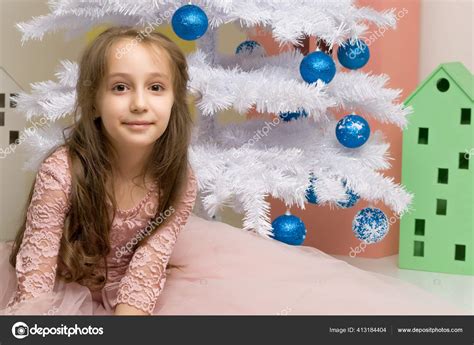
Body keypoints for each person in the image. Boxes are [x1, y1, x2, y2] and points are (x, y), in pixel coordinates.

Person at [0, 27, 465, 316]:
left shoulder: (176, 178)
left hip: (131, 281)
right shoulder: (64, 170)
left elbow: (148, 262)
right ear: (95, 101)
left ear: (174, 100)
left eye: (156, 88)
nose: (140, 103)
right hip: (63, 278)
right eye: (121, 87)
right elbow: (39, 268)